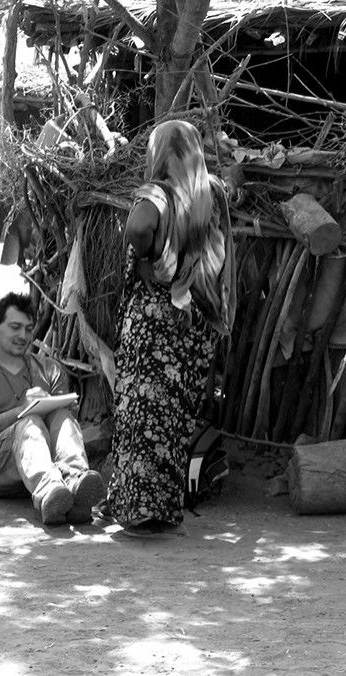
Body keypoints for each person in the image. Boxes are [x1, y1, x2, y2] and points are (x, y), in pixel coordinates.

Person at [105, 120, 235, 538]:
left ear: (159, 153)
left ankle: (138, 509)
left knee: (142, 417)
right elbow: (235, 185)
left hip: (155, 321)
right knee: (174, 420)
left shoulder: (158, 193)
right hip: (195, 323)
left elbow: (139, 228)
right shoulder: (210, 193)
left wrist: (145, 259)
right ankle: (161, 509)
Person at [0, 293, 105, 526]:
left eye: (28, 329)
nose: (23, 336)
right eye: (15, 327)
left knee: (62, 415)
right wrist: (22, 410)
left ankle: (75, 482)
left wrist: (67, 411)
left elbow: (61, 425)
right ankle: (50, 492)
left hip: (48, 467)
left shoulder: (49, 369)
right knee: (29, 422)